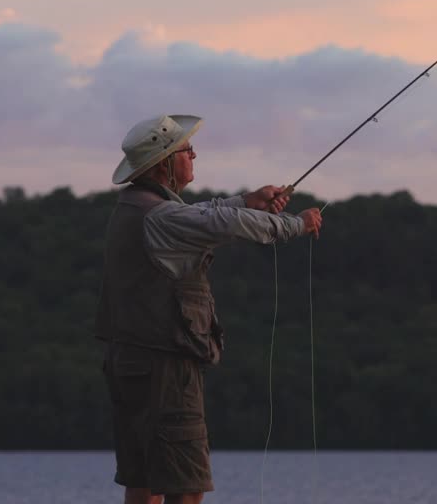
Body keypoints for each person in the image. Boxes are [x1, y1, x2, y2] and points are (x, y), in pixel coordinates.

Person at [95, 114, 322, 504]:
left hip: (129, 363)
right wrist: (294, 225)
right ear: (165, 163)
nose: (194, 155)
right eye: (187, 150)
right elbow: (223, 223)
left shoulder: (134, 207)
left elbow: (205, 215)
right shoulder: (161, 216)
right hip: (165, 366)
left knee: (143, 479)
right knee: (186, 485)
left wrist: (249, 201)